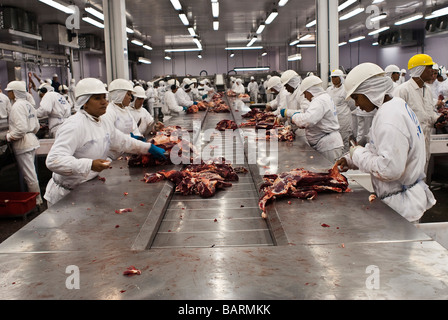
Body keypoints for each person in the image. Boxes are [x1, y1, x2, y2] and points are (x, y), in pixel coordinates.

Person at [336, 62, 436, 223]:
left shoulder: (389, 118)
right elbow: (379, 148)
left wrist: (358, 154)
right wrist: (351, 159)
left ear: (371, 91)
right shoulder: (394, 106)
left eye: (356, 97)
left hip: (401, 207)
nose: (357, 104)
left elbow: (389, 169)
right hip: (400, 202)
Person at [44, 78, 166, 207]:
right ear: (84, 102)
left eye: (104, 97)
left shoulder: (102, 122)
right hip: (65, 196)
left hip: (86, 188)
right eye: (97, 98)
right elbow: (53, 160)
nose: (104, 102)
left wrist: (148, 148)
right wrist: (89, 164)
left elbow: (122, 141)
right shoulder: (74, 125)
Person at [393, 53, 446, 173]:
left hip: (424, 142)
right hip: (408, 146)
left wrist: (438, 119)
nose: (432, 71)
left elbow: (428, 114)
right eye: (429, 68)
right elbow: (394, 119)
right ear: (419, 70)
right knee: (408, 179)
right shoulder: (402, 91)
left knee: (422, 177)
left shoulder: (426, 91)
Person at [280, 75, 344, 162]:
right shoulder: (323, 98)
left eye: (305, 93)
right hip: (325, 143)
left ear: (310, 91)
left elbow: (307, 120)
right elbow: (308, 113)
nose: (305, 97)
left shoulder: (319, 101)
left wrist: (293, 117)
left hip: (328, 145)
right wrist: (292, 114)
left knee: (329, 173)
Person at [4, 81, 43, 206]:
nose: (8, 93)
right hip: (31, 140)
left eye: (9, 91)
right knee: (32, 172)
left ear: (14, 92)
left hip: (23, 143)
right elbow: (36, 126)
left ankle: (37, 200)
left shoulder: (16, 107)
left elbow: (20, 129)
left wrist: (9, 136)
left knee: (29, 175)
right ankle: (36, 198)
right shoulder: (28, 104)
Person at [101, 78, 142, 160]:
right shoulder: (109, 112)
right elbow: (109, 139)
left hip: (126, 153)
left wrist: (139, 138)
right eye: (128, 94)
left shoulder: (126, 110)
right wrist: (129, 139)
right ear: (120, 94)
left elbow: (135, 130)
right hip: (111, 157)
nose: (131, 98)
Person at [326, 69, 354, 153]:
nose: (333, 79)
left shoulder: (346, 90)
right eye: (332, 77)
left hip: (344, 121)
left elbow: (352, 105)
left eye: (335, 77)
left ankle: (345, 159)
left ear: (341, 78)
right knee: (335, 142)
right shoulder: (328, 90)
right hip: (333, 121)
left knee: (344, 142)